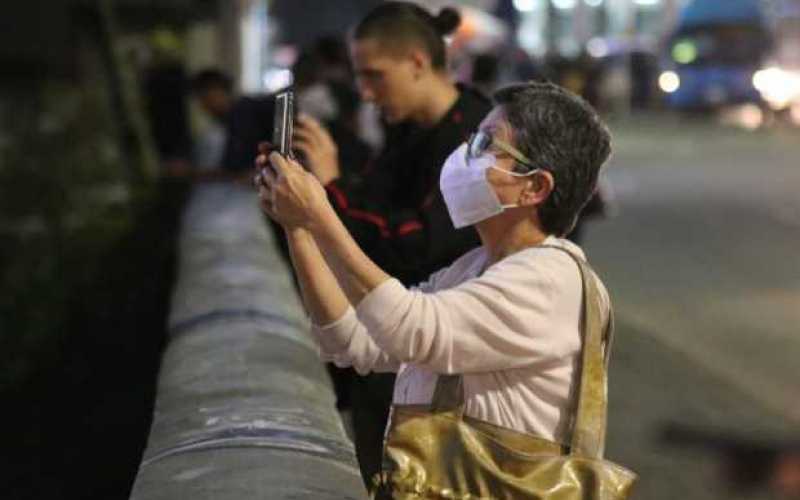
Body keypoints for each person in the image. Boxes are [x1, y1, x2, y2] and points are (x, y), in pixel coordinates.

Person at [254, 80, 614, 495]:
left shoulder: (552, 279)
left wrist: (320, 215)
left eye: (486, 144)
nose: (464, 156)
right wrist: (298, 228)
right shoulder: (473, 268)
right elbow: (350, 340)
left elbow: (411, 330)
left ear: (534, 186)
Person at [289, 2, 492, 484]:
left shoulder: (476, 136)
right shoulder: (408, 131)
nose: (364, 92)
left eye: (375, 76)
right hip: (389, 348)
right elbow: (376, 211)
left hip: (441, 366)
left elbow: (418, 245)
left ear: (417, 63)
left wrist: (329, 192)